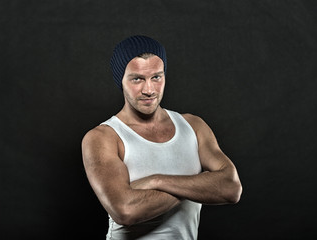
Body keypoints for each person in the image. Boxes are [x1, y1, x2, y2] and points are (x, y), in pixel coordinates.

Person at [81, 35, 242, 240]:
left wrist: (156, 180)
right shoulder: (103, 137)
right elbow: (124, 210)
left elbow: (231, 188)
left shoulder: (193, 126)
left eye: (156, 77)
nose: (149, 90)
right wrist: (202, 184)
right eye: (137, 79)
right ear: (120, 80)